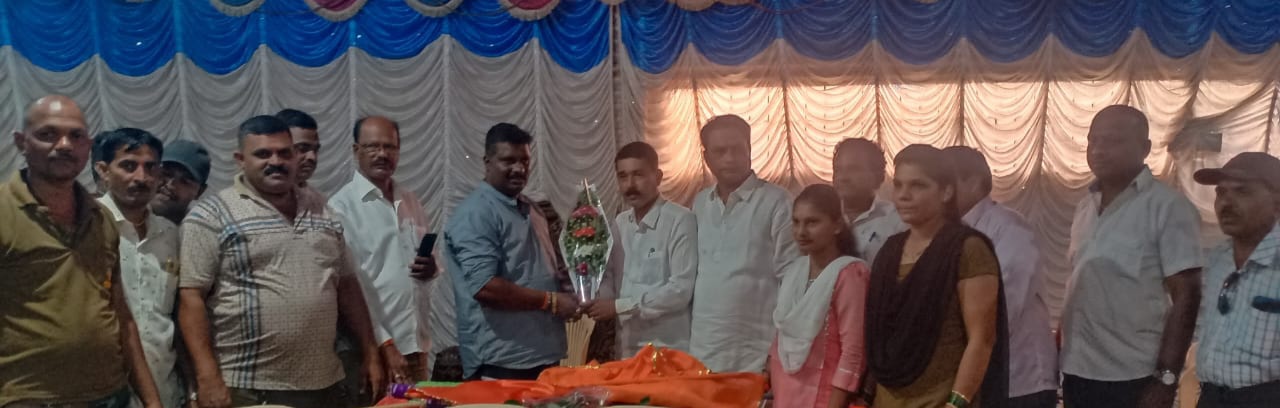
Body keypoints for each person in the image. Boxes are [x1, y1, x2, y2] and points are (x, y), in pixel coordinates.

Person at [177, 115, 384, 408]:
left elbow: (347, 285)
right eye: (263, 154)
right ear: (240, 160)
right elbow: (191, 298)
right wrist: (207, 377)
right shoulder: (211, 216)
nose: (276, 161)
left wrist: (371, 352)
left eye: (285, 153)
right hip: (250, 387)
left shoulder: (320, 207)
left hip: (325, 382)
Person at [0, 95, 163, 408]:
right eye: (48, 134)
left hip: (110, 395)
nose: (64, 145)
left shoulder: (100, 218)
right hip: (29, 399)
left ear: (87, 146)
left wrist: (152, 402)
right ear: (22, 142)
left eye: (75, 136)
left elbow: (122, 317)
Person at [1061, 105, 1202, 408]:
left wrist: (1166, 378)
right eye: (1093, 140)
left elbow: (1187, 296)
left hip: (1134, 375)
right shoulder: (1085, 206)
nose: (1098, 150)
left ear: (1145, 148)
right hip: (1077, 369)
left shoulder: (1167, 207)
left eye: (1113, 141)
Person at [866, 144, 1008, 408]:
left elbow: (982, 339)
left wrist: (955, 403)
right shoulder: (890, 250)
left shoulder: (967, 249)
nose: (904, 195)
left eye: (918, 185)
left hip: (941, 400)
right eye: (898, 185)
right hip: (887, 397)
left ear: (946, 192)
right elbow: (880, 332)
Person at [443, 123, 575, 380]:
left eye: (524, 160)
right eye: (508, 160)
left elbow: (540, 271)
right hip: (501, 362)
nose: (519, 168)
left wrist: (569, 285)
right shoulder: (476, 213)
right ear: (487, 162)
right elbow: (486, 288)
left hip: (543, 354)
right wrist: (552, 301)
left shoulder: (533, 208)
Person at [946, 146, 1058, 408]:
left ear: (974, 182)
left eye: (947, 183)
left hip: (1019, 378)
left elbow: (1002, 306)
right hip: (978, 374)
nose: (943, 193)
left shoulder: (1007, 227)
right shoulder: (948, 233)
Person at [330, 116, 437, 387]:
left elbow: (418, 269)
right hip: (374, 352)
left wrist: (431, 269)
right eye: (372, 146)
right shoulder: (342, 207)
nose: (382, 154)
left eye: (390, 147)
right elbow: (353, 288)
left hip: (416, 344)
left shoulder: (409, 199)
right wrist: (385, 345)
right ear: (356, 150)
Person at [691, 114, 800, 373]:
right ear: (707, 158)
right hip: (702, 346)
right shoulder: (700, 203)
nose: (730, 158)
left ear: (750, 149)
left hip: (755, 349)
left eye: (737, 149)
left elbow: (792, 277)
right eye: (720, 151)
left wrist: (781, 346)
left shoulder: (777, 201)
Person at [93, 128, 186, 408]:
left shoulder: (171, 234)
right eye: (129, 166)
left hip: (166, 388)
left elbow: (174, 319)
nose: (141, 177)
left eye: (150, 167)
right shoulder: (86, 227)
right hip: (102, 393)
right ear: (103, 170)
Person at [585, 141, 697, 357]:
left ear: (658, 177)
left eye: (638, 175)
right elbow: (611, 277)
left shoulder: (680, 219)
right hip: (626, 347)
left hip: (668, 350)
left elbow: (681, 289)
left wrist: (618, 307)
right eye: (623, 176)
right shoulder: (619, 223)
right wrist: (591, 298)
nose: (630, 185)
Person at [766, 184, 870, 408]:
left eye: (812, 222)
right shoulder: (795, 270)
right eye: (796, 222)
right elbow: (782, 335)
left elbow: (853, 350)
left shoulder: (850, 274)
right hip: (784, 389)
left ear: (837, 225)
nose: (801, 232)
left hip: (824, 394)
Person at [1192, 152, 1280, 408]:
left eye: (1243, 191)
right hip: (1212, 397)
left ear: (1277, 202)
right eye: (1221, 193)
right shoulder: (1219, 259)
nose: (1226, 203)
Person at [832, 138, 906, 263]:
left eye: (853, 169)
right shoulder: (821, 218)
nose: (843, 177)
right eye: (837, 169)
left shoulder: (897, 222)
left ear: (878, 176)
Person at [150, 139, 210, 225]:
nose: (170, 185)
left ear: (199, 192)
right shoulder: (130, 216)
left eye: (184, 181)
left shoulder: (199, 230)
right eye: (166, 173)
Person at [276, 108, 321, 189]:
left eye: (315, 150)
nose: (312, 157)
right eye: (302, 149)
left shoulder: (315, 196)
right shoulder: (255, 195)